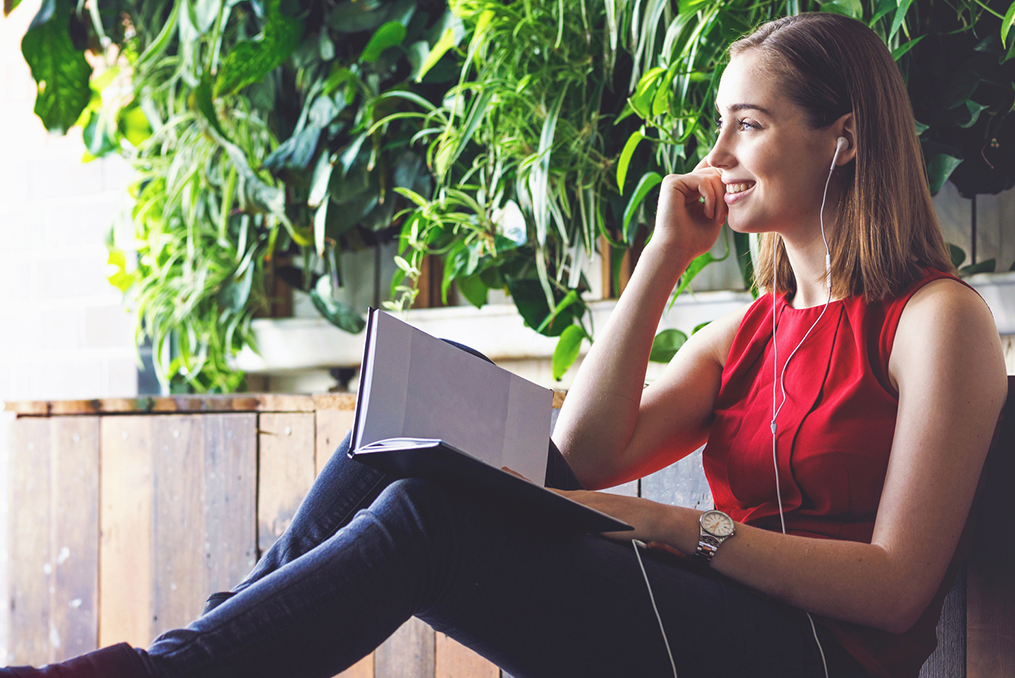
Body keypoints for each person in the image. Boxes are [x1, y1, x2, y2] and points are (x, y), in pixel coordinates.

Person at [4, 11, 1007, 678]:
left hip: (814, 657)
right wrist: (660, 260)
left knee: (434, 518)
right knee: (399, 440)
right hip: (703, 622)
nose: (714, 158)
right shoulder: (746, 328)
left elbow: (895, 586)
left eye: (746, 126)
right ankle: (193, 661)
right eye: (715, 128)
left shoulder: (935, 319)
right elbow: (585, 452)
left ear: (846, 137)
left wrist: (681, 531)